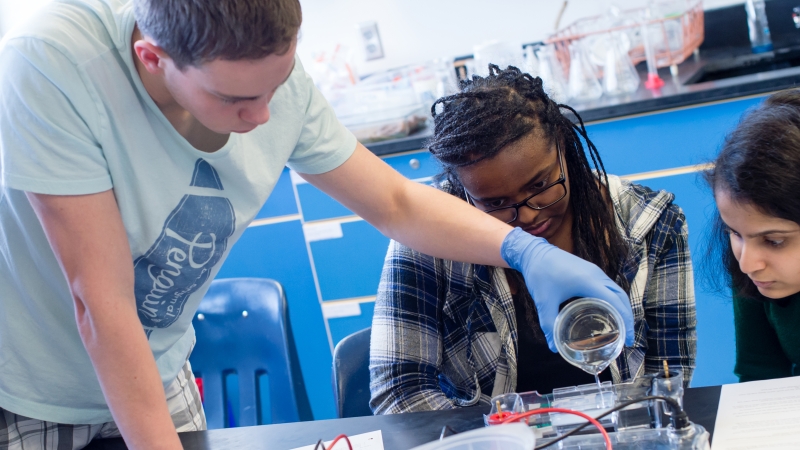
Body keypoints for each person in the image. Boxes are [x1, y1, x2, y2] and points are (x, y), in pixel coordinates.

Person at [0, 1, 635, 448]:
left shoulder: (270, 89)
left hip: (155, 368)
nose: (261, 117)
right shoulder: (55, 66)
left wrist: (522, 250)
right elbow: (102, 304)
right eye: (234, 100)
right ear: (152, 57)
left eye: (276, 85)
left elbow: (396, 203)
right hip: (25, 387)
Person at [370, 65, 697, 414]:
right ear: (463, 190)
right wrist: (499, 439)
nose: (526, 215)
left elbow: (669, 377)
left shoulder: (650, 224)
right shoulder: (427, 234)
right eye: (495, 203)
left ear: (562, 145)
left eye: (540, 186)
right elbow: (398, 391)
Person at [705, 90, 800, 383]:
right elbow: (760, 375)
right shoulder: (755, 268)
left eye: (774, 241)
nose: (748, 264)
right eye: (734, 233)